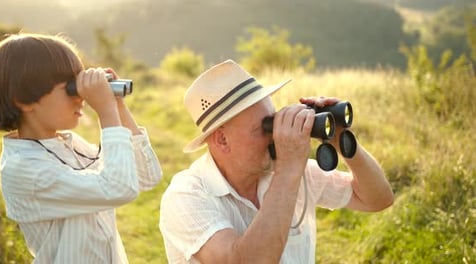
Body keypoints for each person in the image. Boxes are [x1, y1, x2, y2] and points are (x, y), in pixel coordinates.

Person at [159, 59, 394, 263]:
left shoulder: (293, 174)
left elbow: (377, 199)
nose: (276, 134)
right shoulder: (185, 196)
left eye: (274, 120)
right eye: (265, 127)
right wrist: (288, 169)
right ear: (222, 139)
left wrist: (341, 139)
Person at [0, 33, 162, 263]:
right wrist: (105, 110)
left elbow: (146, 177)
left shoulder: (68, 144)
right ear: (24, 100)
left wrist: (116, 104)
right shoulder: (24, 168)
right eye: (70, 88)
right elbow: (119, 188)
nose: (81, 98)